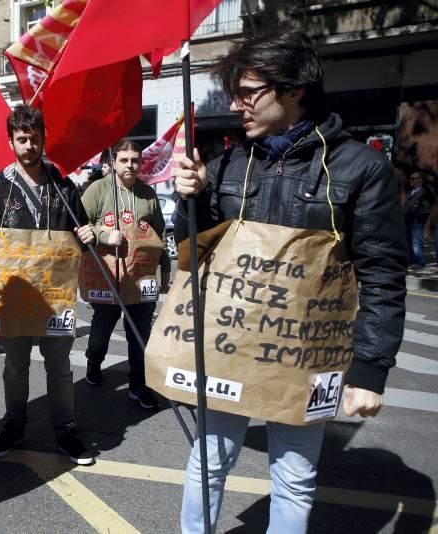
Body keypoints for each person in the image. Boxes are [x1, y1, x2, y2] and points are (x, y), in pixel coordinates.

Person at [173, 30, 407, 533]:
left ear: (294, 89)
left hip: (312, 355)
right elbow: (193, 252)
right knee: (208, 462)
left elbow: (383, 271)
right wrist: (188, 198)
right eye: (233, 93)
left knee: (295, 477)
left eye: (249, 93)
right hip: (228, 345)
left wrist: (371, 369)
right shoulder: (229, 163)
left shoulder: (362, 169)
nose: (237, 105)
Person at [0, 105, 97, 465]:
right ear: (11, 141)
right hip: (14, 298)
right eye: (22, 139)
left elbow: (81, 234)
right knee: (15, 367)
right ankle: (14, 425)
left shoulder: (62, 186)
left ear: (44, 139)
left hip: (56, 297)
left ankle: (66, 430)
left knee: (59, 368)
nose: (29, 145)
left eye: (35, 138)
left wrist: (89, 234)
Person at [80, 138, 170, 409]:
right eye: (124, 160)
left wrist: (165, 270)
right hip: (106, 274)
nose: (130, 165)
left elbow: (159, 237)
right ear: (113, 162)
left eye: (135, 160)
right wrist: (104, 235)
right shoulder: (98, 190)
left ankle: (139, 386)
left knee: (140, 334)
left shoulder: (148, 194)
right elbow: (78, 225)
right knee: (101, 331)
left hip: (141, 278)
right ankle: (93, 363)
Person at [403, 171, 434, 267]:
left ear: (420, 180)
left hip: (416, 222)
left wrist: (418, 217)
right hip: (407, 221)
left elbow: (427, 208)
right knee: (409, 241)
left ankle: (418, 261)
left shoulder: (424, 191)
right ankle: (411, 260)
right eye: (410, 178)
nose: (410, 180)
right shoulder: (411, 191)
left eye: (413, 178)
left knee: (416, 242)